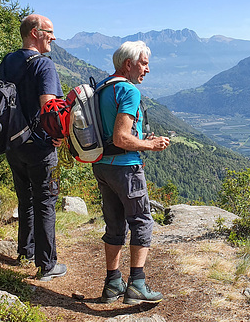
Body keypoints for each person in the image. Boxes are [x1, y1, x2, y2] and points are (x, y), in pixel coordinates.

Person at [93, 41, 170, 304]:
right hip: (125, 168)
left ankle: (113, 283)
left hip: (102, 165)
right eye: (144, 63)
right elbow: (121, 137)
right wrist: (150, 144)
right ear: (129, 64)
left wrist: (140, 138)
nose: (147, 69)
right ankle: (137, 284)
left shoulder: (104, 87)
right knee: (141, 221)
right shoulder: (128, 90)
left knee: (114, 225)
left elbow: (111, 133)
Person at [0, 14, 67, 281]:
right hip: (39, 145)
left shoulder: (8, 61)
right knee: (45, 201)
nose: (54, 37)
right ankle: (47, 265)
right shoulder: (44, 66)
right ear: (35, 33)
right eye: (49, 32)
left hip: (13, 144)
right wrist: (57, 135)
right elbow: (50, 107)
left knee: (25, 199)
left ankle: (25, 251)